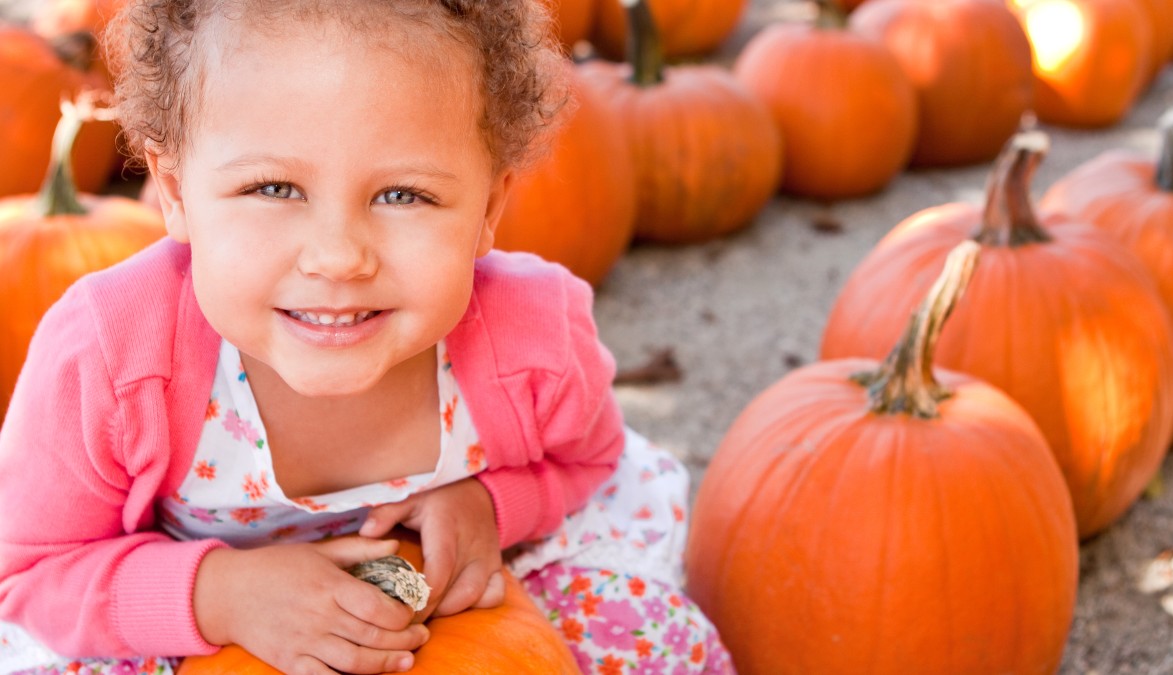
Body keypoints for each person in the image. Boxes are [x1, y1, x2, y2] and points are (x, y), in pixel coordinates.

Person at [0, 1, 733, 674]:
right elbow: (32, 572)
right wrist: (216, 593)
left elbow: (590, 461)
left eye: (403, 194)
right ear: (174, 190)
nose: (339, 256)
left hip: (462, 616)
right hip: (203, 627)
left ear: (489, 205)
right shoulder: (112, 358)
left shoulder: (533, 338)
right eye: (274, 188)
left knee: (649, 632)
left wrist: (489, 505)